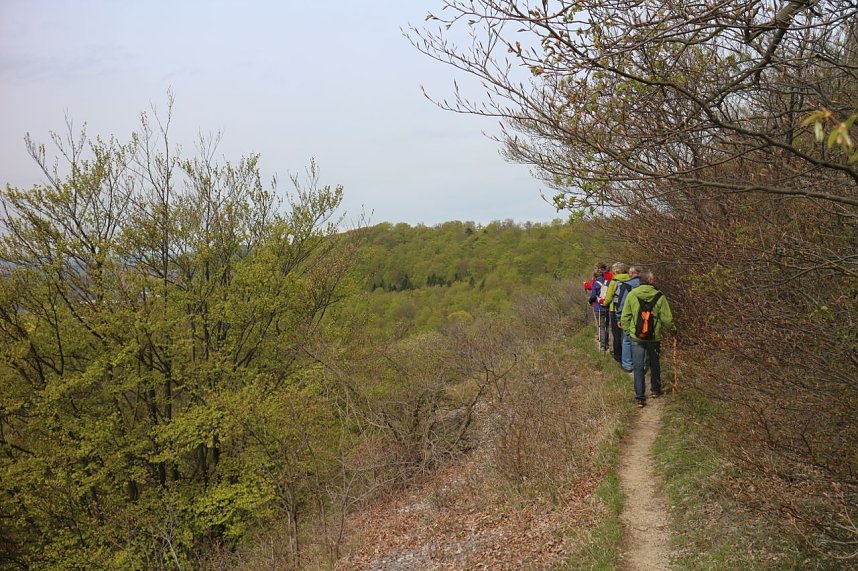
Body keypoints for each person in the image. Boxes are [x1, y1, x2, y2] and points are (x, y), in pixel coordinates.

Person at [620, 270, 674, 408]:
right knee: (654, 363)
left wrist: (629, 331)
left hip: (636, 337)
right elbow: (667, 319)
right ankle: (655, 390)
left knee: (638, 367)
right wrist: (674, 331)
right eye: (654, 279)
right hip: (653, 337)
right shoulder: (659, 296)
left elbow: (625, 317)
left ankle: (640, 397)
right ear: (649, 281)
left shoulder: (632, 295)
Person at [615, 265, 641, 372]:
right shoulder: (646, 284)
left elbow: (622, 303)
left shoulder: (627, 285)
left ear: (631, 274)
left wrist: (619, 316)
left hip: (629, 316)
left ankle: (627, 364)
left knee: (627, 340)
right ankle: (640, 364)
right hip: (644, 316)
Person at [603, 262, 629, 364]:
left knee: (617, 334)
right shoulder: (631, 280)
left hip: (615, 310)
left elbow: (608, 298)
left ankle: (618, 356)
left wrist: (604, 302)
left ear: (616, 271)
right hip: (629, 310)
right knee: (627, 335)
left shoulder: (614, 282)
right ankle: (628, 356)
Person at [588, 264, 611, 351]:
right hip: (607, 306)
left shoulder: (595, 283)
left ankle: (602, 345)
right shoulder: (608, 282)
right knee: (607, 326)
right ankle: (607, 344)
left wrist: (590, 301)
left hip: (598, 307)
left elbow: (593, 296)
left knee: (601, 326)